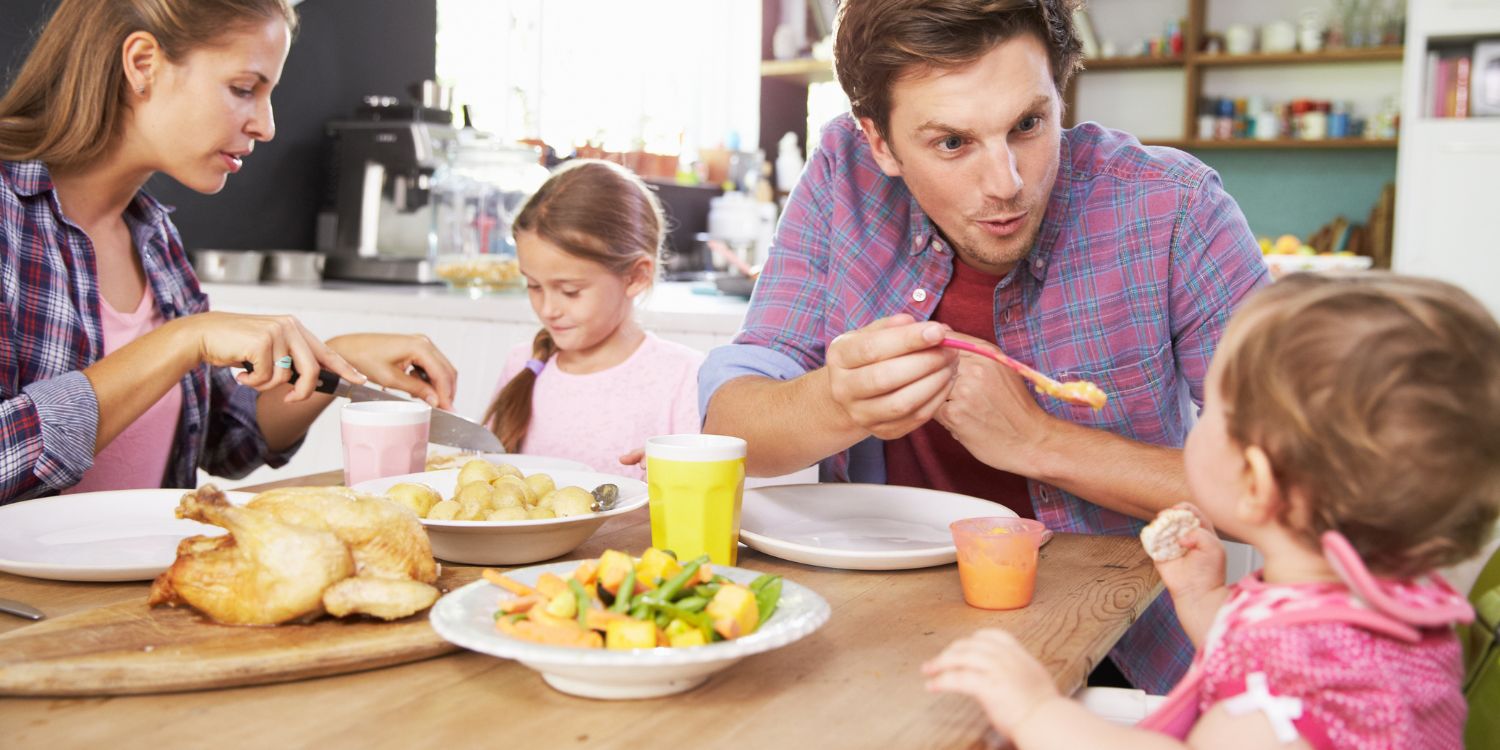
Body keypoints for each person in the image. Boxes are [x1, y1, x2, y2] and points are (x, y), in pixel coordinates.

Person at [697, 0, 1270, 692]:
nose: (1007, 184)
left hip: (1119, 657)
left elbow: (1300, 492)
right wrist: (836, 401)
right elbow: (731, 429)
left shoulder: (1174, 208)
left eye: (1028, 125)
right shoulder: (841, 180)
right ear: (879, 142)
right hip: (878, 637)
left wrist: (1038, 440)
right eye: (952, 144)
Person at [924, 272, 1500, 749]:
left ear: (1255, 480)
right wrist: (1203, 599)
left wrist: (1034, 712)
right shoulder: (1389, 605)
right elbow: (1259, 644)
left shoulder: (1286, 707)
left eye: (1214, 408)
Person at [0, 0, 457, 504]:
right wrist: (183, 340)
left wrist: (338, 360)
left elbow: (228, 439)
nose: (267, 126)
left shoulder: (154, 242)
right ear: (142, 64)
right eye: (244, 89)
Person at [483, 160, 702, 479]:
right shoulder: (522, 363)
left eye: (570, 291)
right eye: (533, 286)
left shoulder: (683, 378)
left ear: (636, 276)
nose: (548, 309)